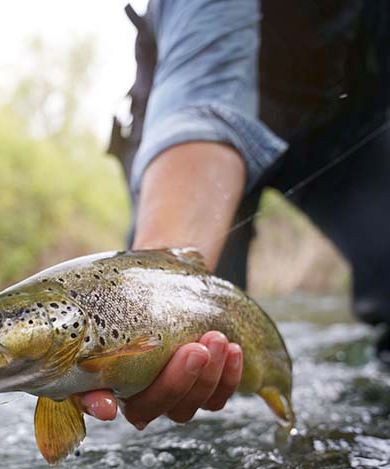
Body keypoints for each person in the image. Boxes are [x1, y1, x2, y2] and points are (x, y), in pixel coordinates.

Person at [78, 0, 390, 427]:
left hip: (347, 124)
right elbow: (202, 103)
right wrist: (152, 292)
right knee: (178, 358)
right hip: (196, 128)